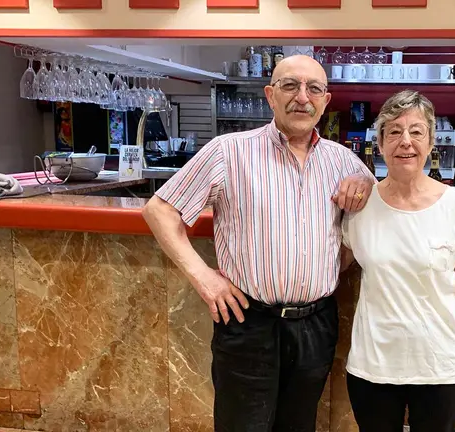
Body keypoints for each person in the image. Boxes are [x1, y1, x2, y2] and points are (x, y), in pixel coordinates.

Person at [142, 55, 375, 432]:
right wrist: (204, 278)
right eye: (290, 86)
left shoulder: (344, 162)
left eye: (313, 88)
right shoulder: (228, 152)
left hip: (316, 324)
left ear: (325, 100)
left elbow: (377, 218)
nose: (302, 97)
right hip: (248, 323)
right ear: (269, 95)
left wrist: (366, 186)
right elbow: (159, 211)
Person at [340, 90, 455, 432]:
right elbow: (332, 267)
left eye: (416, 131)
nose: (405, 141)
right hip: (373, 366)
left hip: (440, 365)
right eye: (393, 131)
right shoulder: (361, 206)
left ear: (431, 141)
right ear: (379, 143)